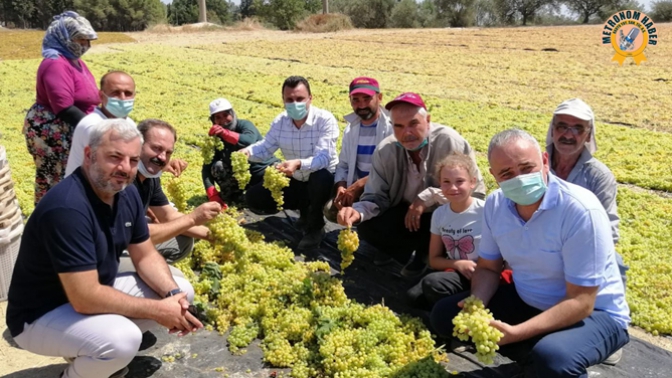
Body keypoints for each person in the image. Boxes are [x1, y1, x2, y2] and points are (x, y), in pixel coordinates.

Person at [6, 119, 202, 378]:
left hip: (90, 293)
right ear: (89, 155)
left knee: (182, 294)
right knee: (123, 341)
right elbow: (85, 297)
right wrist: (158, 310)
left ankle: (90, 349)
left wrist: (172, 295)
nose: (124, 168)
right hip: (41, 314)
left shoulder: (126, 193)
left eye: (132, 160)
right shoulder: (68, 209)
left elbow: (144, 255)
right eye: (114, 157)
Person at [430, 129, 630, 377]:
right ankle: (534, 361)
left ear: (545, 161)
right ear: (494, 176)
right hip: (530, 299)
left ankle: (548, 359)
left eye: (527, 168)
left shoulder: (579, 209)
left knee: (553, 359)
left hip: (595, 312)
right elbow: (488, 268)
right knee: (444, 316)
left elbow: (582, 301)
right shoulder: (495, 205)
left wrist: (518, 332)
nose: (519, 178)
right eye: (507, 173)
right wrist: (477, 303)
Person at [337, 93, 485, 277]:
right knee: (369, 226)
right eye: (399, 126)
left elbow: (475, 194)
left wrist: (427, 198)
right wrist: (357, 212)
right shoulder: (386, 150)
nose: (406, 133)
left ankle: (433, 256)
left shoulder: (449, 142)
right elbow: (376, 196)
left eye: (413, 124)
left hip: (446, 214)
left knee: (445, 221)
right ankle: (411, 255)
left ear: (428, 121)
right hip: (407, 214)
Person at [242, 76, 339, 250]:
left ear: (310, 98)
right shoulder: (281, 121)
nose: (295, 104)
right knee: (255, 197)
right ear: (283, 101)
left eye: (300, 99)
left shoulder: (325, 120)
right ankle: (304, 212)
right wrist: (247, 153)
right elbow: (266, 147)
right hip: (296, 177)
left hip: (324, 182)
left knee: (320, 177)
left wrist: (299, 163)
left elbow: (324, 157)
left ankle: (316, 226)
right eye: (290, 100)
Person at [546, 98, 628, 284]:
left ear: (589, 135)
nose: (568, 134)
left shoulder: (599, 176)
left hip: (583, 249)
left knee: (616, 264)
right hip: (539, 243)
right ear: (552, 130)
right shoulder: (535, 165)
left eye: (578, 129)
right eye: (562, 126)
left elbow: (609, 230)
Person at [24, 11, 99, 205]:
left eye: (87, 41)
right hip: (54, 133)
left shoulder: (75, 61)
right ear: (64, 37)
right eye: (80, 40)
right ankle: (50, 224)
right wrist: (99, 129)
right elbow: (64, 108)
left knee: (72, 180)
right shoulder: (55, 63)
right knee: (56, 181)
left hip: (72, 129)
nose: (85, 45)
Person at [134, 119, 222, 263]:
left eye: (168, 152)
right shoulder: (122, 180)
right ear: (137, 144)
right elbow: (137, 234)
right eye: (156, 148)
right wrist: (192, 218)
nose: (162, 157)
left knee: (182, 239)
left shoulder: (150, 178)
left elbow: (168, 216)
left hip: (128, 236)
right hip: (106, 249)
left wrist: (214, 235)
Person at [406, 153, 485, 308]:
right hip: (458, 272)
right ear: (439, 184)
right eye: (446, 182)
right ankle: (459, 302)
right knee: (413, 297)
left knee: (432, 284)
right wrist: (458, 264)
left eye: (460, 181)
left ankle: (469, 303)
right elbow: (434, 260)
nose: (453, 188)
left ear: (472, 182)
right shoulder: (439, 214)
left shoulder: (485, 211)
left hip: (484, 274)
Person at [323, 77, 393, 223]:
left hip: (384, 191)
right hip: (358, 189)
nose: (361, 105)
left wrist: (360, 184)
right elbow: (343, 165)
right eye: (356, 100)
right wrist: (341, 187)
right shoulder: (351, 129)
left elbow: (392, 171)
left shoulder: (392, 128)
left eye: (367, 99)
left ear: (379, 98)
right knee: (331, 210)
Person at [203, 98, 279, 207]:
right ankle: (235, 196)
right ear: (213, 121)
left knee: (274, 191)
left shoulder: (244, 125)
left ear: (232, 114)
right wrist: (212, 194)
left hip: (264, 171)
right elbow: (206, 169)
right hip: (242, 180)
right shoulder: (215, 139)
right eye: (218, 117)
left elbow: (248, 141)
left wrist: (226, 133)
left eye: (225, 115)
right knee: (217, 166)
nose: (223, 120)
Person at [65, 70, 137, 177]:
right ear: (101, 96)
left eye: (128, 93)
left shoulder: (130, 124)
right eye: (115, 93)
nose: (122, 98)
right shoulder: (93, 126)